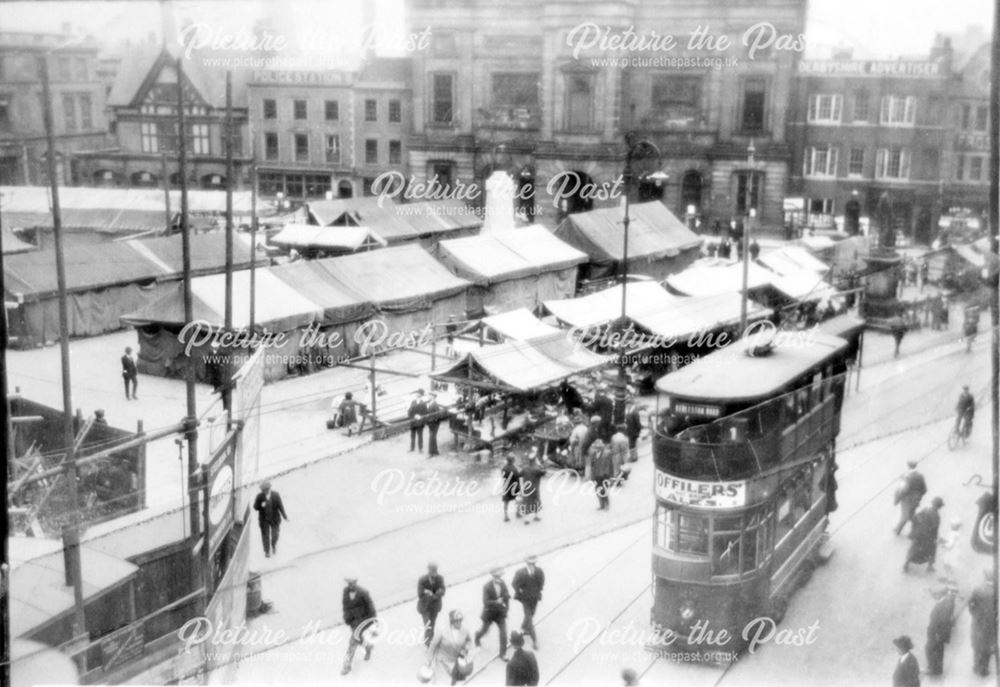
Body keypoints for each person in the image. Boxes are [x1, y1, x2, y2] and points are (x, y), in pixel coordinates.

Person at [341, 576, 377, 675]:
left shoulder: (363, 593)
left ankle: (346, 666)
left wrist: (373, 621)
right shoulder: (345, 591)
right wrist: (346, 617)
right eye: (349, 583)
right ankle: (368, 647)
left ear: (356, 583)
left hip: (362, 621)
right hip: (352, 621)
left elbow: (370, 606)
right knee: (358, 639)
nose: (350, 585)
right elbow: (345, 606)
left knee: (352, 642)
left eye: (352, 583)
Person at [426, 609, 472, 685]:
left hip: (455, 662)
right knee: (443, 682)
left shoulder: (465, 631)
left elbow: (469, 641)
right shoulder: (442, 631)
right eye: (457, 621)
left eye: (460, 620)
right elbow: (433, 645)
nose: (459, 622)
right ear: (452, 621)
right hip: (442, 662)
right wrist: (429, 660)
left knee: (453, 682)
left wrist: (466, 648)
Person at [474, 568, 510, 661]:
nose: (499, 579)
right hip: (489, 613)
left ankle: (503, 653)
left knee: (504, 633)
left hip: (500, 614)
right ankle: (477, 637)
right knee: (484, 630)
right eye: (497, 577)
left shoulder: (503, 584)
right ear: (493, 577)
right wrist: (496, 602)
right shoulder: (487, 586)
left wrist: (506, 610)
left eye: (500, 577)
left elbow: (507, 597)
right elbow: (485, 601)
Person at [968, 569, 998, 677]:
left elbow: (971, 603)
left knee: (977, 645)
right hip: (991, 625)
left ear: (985, 578)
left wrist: (974, 614)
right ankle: (984, 669)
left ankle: (976, 666)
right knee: (987, 648)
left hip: (978, 622)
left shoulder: (978, 589)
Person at [512, 556, 545, 650]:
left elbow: (541, 582)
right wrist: (520, 591)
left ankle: (523, 627)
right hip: (525, 599)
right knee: (529, 618)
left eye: (534, 563)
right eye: (530, 563)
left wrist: (537, 590)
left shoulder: (539, 571)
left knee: (531, 614)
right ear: (526, 563)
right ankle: (535, 641)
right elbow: (514, 584)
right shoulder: (520, 572)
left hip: (534, 598)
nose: (532, 565)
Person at [925, 585, 958, 676]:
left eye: (936, 594)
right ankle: (937, 669)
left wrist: (938, 634)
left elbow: (943, 621)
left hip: (936, 633)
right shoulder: (944, 602)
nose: (935, 596)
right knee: (937, 650)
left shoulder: (943, 605)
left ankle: (933, 669)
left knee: (930, 649)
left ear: (941, 595)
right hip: (937, 633)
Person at [904, 496, 944, 573]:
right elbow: (934, 529)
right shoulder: (936, 516)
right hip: (928, 537)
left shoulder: (925, 510)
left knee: (914, 549)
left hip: (919, 535)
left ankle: (906, 564)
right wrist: (934, 539)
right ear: (939, 507)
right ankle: (930, 566)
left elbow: (915, 518)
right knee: (931, 551)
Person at [252, 481, 288, 558]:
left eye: (267, 489)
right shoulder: (259, 496)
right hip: (264, 520)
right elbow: (255, 507)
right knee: (265, 536)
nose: (266, 491)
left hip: (274, 519)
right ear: (262, 490)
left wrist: (285, 516)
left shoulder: (276, 495)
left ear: (269, 488)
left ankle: (273, 545)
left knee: (275, 535)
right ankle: (267, 551)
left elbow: (280, 506)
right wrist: (261, 505)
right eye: (264, 490)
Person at [417, 563, 446, 647]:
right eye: (432, 571)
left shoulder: (440, 578)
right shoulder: (422, 580)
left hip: (435, 607)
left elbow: (443, 590)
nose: (434, 573)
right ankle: (428, 643)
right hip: (425, 607)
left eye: (435, 571)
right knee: (428, 625)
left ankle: (430, 641)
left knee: (432, 624)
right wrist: (436, 593)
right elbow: (420, 594)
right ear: (428, 571)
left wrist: (431, 594)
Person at [894, 461, 927, 535]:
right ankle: (919, 524)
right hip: (916, 500)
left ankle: (897, 530)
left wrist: (897, 500)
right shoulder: (920, 476)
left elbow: (902, 490)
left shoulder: (906, 478)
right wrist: (918, 496)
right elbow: (924, 490)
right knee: (910, 514)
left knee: (905, 516)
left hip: (907, 501)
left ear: (908, 467)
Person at [518, 455, 544, 523]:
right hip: (535, 489)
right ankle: (536, 516)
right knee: (536, 502)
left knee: (527, 503)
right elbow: (543, 472)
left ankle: (526, 519)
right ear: (535, 461)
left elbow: (519, 474)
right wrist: (540, 465)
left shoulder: (525, 468)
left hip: (527, 489)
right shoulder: (537, 469)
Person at [589, 439, 613, 511]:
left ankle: (607, 505)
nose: (596, 449)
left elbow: (610, 465)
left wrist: (610, 477)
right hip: (597, 475)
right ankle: (602, 505)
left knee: (604, 490)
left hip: (604, 475)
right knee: (597, 490)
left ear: (601, 447)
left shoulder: (607, 453)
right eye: (595, 447)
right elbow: (592, 466)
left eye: (598, 447)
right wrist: (592, 477)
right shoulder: (594, 455)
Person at [501, 454, 521, 522]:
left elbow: (503, 477)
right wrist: (519, 488)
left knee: (506, 502)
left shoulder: (504, 468)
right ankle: (517, 513)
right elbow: (517, 478)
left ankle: (506, 516)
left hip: (506, 487)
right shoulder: (514, 469)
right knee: (518, 500)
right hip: (514, 487)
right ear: (513, 460)